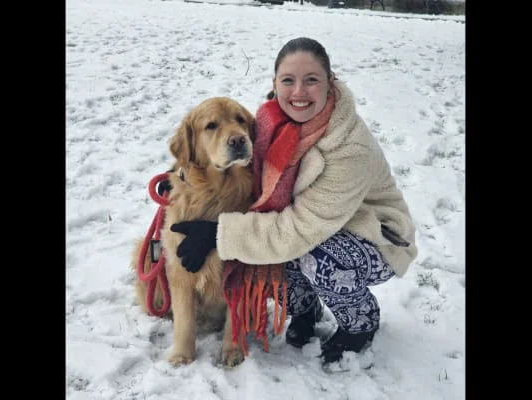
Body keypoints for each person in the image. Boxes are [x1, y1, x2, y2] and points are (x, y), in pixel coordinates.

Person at [169, 37, 418, 364]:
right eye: (288, 80)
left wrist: (218, 234)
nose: (299, 92)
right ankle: (305, 309)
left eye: (311, 80)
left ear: (330, 82)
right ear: (275, 84)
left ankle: (360, 322)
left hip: (373, 236)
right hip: (313, 226)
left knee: (305, 252)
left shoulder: (350, 148)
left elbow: (299, 229)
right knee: (266, 246)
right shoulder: (271, 124)